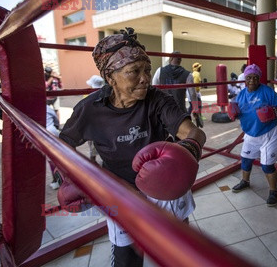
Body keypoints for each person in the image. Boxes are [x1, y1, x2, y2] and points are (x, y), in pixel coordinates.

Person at [59, 28, 206, 267]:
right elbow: (62, 144)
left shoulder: (156, 99)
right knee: (127, 261)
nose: (145, 78)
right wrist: (71, 176)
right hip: (121, 193)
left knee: (179, 252)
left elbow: (193, 131)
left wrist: (189, 149)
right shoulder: (89, 109)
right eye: (133, 71)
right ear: (110, 77)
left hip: (163, 185)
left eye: (147, 70)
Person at [228, 64, 277, 206]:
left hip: (271, 132)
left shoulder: (267, 91)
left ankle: (274, 191)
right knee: (246, 159)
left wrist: (273, 112)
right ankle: (245, 181)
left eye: (255, 77)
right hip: (251, 132)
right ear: (245, 79)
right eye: (249, 78)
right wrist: (232, 112)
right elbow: (233, 108)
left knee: (267, 165)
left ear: (259, 78)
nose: (252, 80)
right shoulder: (241, 95)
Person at [85, 75, 105, 161]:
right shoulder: (105, 94)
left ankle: (93, 161)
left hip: (93, 125)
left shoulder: (89, 96)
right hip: (104, 125)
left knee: (93, 146)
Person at [46, 105, 61, 189]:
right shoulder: (47, 107)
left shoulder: (31, 108)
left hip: (44, 133)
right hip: (52, 131)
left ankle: (56, 181)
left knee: (51, 160)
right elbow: (56, 120)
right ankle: (57, 180)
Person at [191, 62, 204, 128]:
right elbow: (196, 85)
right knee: (198, 107)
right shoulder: (196, 74)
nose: (200, 68)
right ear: (197, 68)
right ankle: (198, 121)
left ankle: (197, 120)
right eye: (199, 67)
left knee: (193, 107)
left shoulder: (193, 74)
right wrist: (197, 93)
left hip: (193, 93)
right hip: (196, 93)